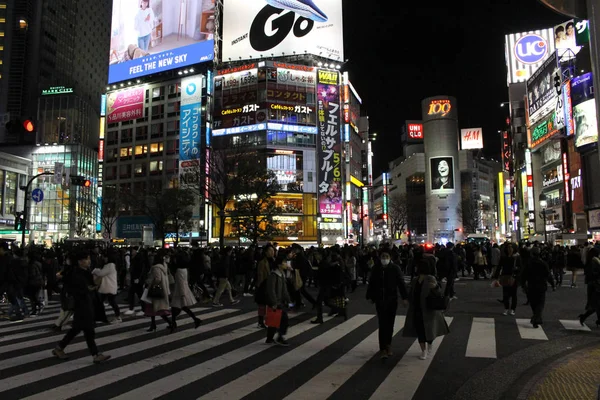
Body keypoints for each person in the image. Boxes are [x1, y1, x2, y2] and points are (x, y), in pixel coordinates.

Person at [51, 250, 110, 364]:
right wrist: (97, 282)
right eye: (87, 259)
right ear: (80, 261)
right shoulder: (76, 273)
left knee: (78, 329)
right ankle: (95, 354)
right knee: (87, 330)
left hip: (86, 304)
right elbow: (85, 289)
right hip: (82, 304)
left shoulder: (84, 272)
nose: (89, 261)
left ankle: (59, 348)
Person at [402, 259, 450, 360]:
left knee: (429, 330)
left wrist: (436, 287)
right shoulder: (415, 280)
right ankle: (423, 350)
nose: (415, 268)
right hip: (416, 308)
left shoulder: (430, 278)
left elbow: (439, 292)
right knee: (420, 331)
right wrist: (406, 299)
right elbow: (411, 293)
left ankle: (429, 345)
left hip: (428, 309)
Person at [366, 249, 409, 359]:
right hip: (380, 300)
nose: (384, 259)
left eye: (386, 257)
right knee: (382, 324)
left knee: (390, 324)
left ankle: (388, 345)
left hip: (392, 300)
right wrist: (370, 296)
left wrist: (405, 297)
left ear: (390, 258)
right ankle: (383, 348)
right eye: (383, 257)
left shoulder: (395, 268)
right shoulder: (376, 268)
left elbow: (401, 283)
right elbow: (371, 283)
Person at [521, 246, 553, 328]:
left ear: (531, 254)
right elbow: (548, 275)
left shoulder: (528, 263)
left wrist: (523, 285)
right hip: (541, 286)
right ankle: (536, 317)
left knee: (533, 303)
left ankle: (536, 317)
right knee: (540, 303)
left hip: (531, 286)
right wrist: (553, 284)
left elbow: (523, 275)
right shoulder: (543, 263)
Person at [170, 251, 202, 332]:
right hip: (181, 290)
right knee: (179, 308)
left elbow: (181, 282)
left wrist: (182, 294)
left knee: (178, 308)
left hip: (180, 291)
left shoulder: (179, 270)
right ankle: (174, 324)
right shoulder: (184, 269)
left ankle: (174, 324)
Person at [143, 249, 174, 332]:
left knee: (158, 309)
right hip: (163, 289)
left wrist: (148, 282)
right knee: (153, 309)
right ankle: (153, 325)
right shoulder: (164, 266)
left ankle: (170, 323)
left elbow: (157, 279)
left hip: (155, 290)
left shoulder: (156, 267)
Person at [265, 253, 292, 346]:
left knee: (275, 320)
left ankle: (269, 338)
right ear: (279, 264)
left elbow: (284, 290)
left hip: (280, 301)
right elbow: (271, 289)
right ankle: (280, 337)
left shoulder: (281, 274)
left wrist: (288, 300)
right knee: (283, 320)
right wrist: (274, 302)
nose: (286, 264)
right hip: (276, 302)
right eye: (284, 262)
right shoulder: (274, 275)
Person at [92, 249, 121, 324]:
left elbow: (101, 273)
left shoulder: (110, 265)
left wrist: (95, 270)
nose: (104, 258)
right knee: (105, 302)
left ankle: (117, 317)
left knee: (109, 302)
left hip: (108, 287)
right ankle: (102, 317)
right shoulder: (111, 265)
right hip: (108, 287)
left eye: (105, 257)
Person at [493, 243, 521, 316]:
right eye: (508, 247)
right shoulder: (504, 257)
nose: (509, 249)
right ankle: (506, 308)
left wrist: (517, 269)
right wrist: (496, 277)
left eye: (511, 247)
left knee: (513, 294)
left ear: (514, 248)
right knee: (505, 294)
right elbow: (499, 267)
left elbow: (521, 268)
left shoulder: (517, 257)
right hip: (505, 276)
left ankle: (512, 309)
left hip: (514, 277)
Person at [579, 247, 600, 327]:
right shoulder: (594, 261)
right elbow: (594, 273)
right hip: (596, 285)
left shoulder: (590, 260)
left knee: (595, 304)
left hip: (594, 284)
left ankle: (584, 317)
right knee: (596, 303)